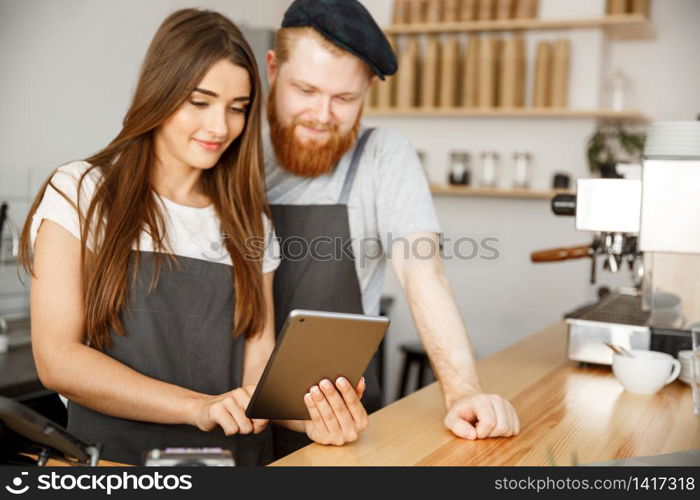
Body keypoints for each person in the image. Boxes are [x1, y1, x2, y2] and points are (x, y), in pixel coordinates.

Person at [19, 8, 368, 466]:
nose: (220, 127)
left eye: (237, 108)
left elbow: (256, 372)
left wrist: (314, 416)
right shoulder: (80, 192)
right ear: (160, 93)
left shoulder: (248, 221)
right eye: (199, 102)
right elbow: (58, 360)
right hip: (115, 464)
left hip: (235, 461)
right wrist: (196, 407)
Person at [264, 0, 521, 458]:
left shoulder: (383, 157)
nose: (322, 115)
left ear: (366, 91)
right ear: (272, 69)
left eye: (345, 99)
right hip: (225, 414)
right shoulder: (229, 149)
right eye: (305, 89)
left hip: (338, 421)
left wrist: (463, 391)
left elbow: (424, 275)